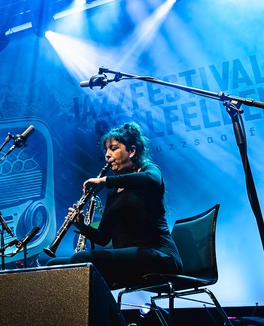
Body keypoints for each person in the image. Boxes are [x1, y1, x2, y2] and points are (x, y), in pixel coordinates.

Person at [45, 121, 182, 290]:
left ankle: (93, 315)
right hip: (131, 259)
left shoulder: (149, 170)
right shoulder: (113, 191)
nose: (107, 155)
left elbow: (152, 180)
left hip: (159, 255)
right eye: (106, 150)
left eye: (113, 148)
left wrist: (105, 180)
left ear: (131, 151)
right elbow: (103, 237)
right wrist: (82, 226)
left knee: (81, 260)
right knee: (53, 265)